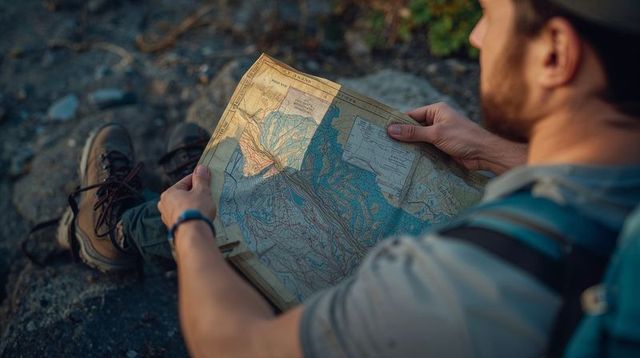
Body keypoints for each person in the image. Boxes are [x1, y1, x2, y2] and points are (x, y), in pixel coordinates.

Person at [56, 0, 640, 356]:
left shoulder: (456, 286)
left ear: (555, 54)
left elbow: (234, 347)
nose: (476, 38)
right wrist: (495, 152)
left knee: (240, 225)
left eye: (490, 16)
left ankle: (126, 230)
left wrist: (190, 226)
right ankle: (208, 178)